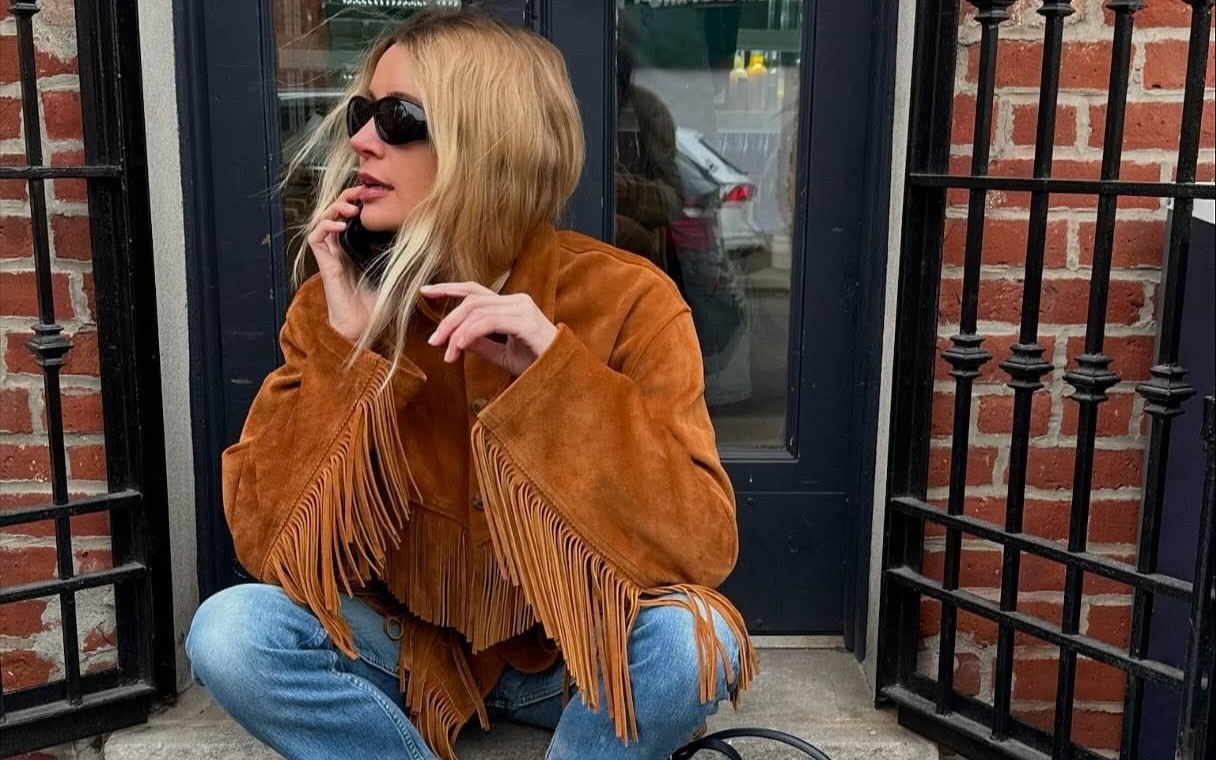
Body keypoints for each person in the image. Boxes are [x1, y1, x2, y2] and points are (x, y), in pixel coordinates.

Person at [185, 8, 756, 760]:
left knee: (695, 640)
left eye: (398, 118)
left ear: (488, 143)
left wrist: (554, 378)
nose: (360, 140)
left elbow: (701, 546)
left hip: (574, 659)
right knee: (230, 633)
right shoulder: (341, 306)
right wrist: (348, 353)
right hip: (408, 654)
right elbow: (267, 544)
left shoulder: (628, 301)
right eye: (362, 114)